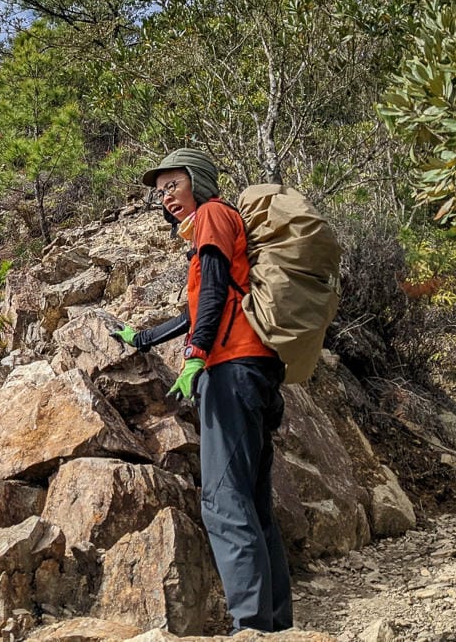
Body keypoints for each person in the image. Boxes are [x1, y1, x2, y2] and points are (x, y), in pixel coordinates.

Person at [111, 147, 292, 633]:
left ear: (198, 180)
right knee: (252, 502)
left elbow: (212, 291)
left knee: (222, 498)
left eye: (173, 184)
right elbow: (205, 302)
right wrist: (144, 338)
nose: (165, 196)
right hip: (255, 370)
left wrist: (194, 357)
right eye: (159, 191)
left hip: (230, 369)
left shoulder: (212, 214)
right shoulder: (222, 224)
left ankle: (251, 623)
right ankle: (273, 622)